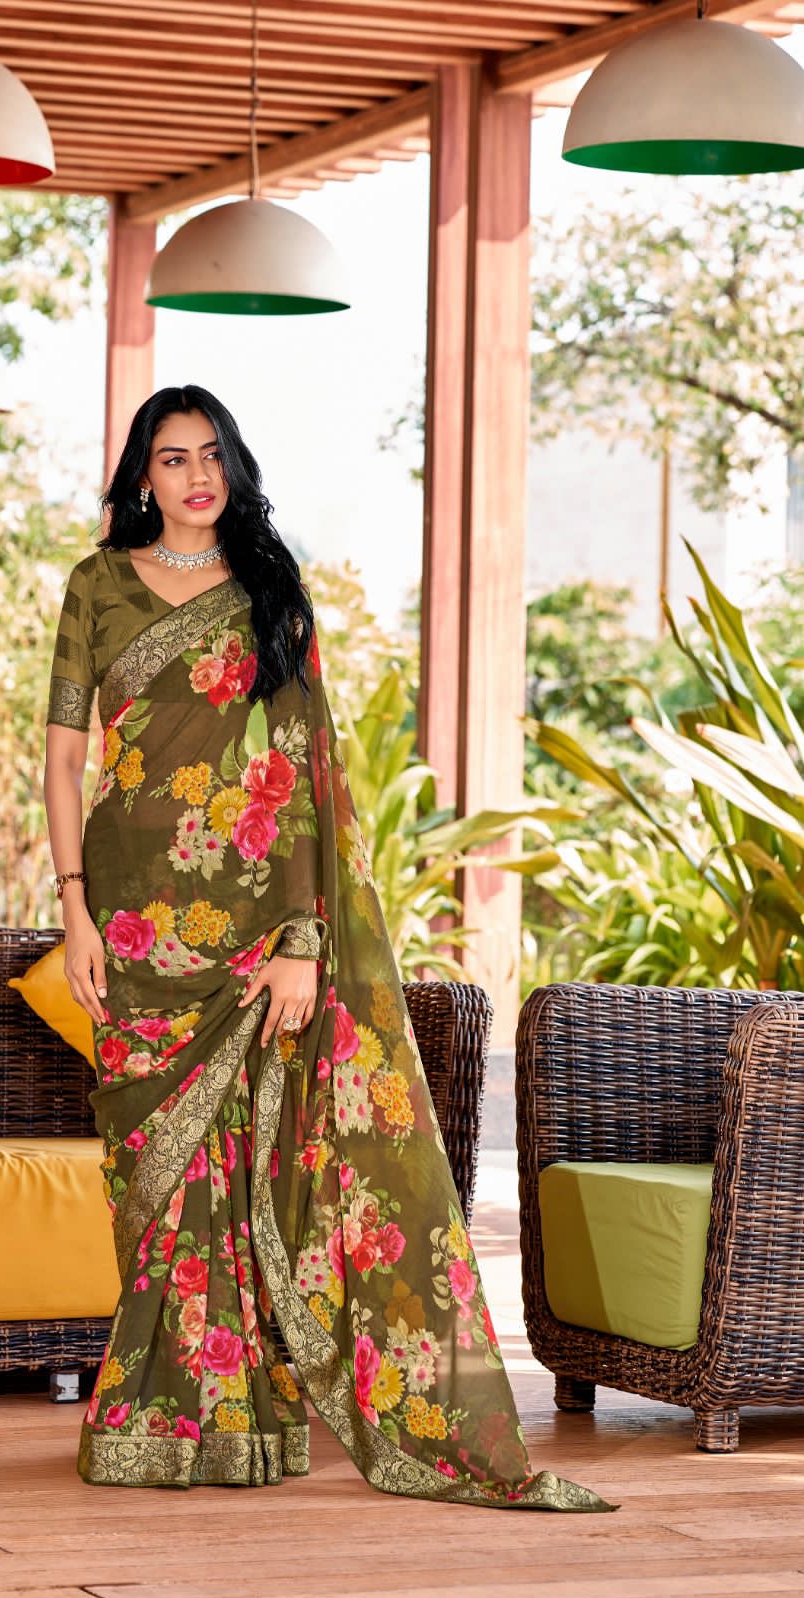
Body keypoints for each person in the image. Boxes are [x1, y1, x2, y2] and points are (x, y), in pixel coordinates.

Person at [43, 385, 614, 1512]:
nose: (196, 476)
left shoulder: (270, 590)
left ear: (234, 466)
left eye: (212, 455)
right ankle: (170, 1409)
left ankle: (235, 1416)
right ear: (142, 475)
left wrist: (304, 938)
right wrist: (72, 909)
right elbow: (65, 761)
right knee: (149, 1172)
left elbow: (306, 779)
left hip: (254, 925)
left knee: (250, 1165)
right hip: (129, 917)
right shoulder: (96, 585)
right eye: (173, 458)